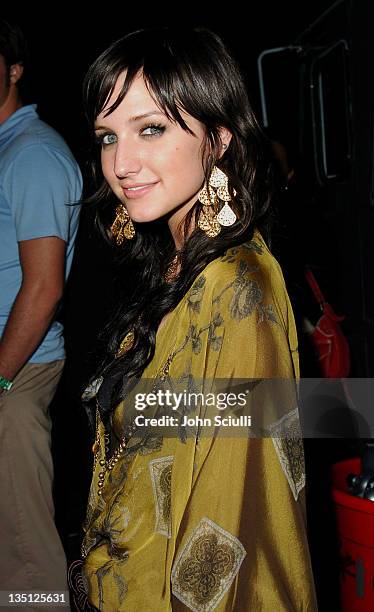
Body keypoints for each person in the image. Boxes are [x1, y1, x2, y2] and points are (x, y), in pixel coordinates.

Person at [78, 27, 317, 610]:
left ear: (218, 139)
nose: (121, 163)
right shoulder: (172, 268)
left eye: (151, 129)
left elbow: (234, 518)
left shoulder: (238, 292)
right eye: (108, 136)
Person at [0, 20, 82, 600]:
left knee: (27, 558)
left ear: (13, 68)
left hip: (16, 374)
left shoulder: (32, 154)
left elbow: (44, 287)